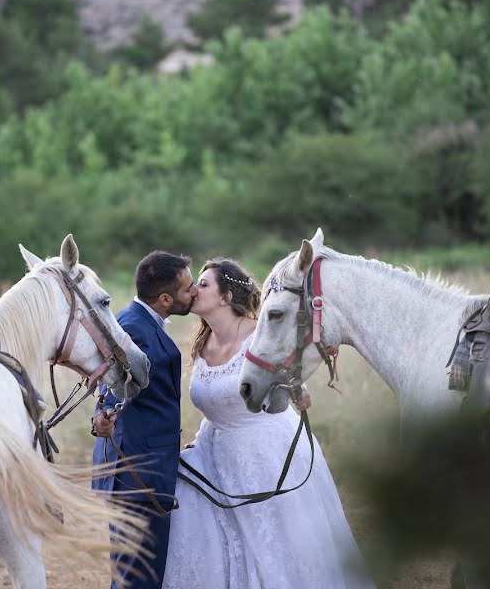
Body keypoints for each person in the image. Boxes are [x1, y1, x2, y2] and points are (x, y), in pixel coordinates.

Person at [161, 258, 376, 589]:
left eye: (203, 284)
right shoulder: (202, 343)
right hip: (213, 453)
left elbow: (288, 380)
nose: (193, 290)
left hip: (265, 455)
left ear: (225, 297)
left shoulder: (259, 336)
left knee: (275, 548)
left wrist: (298, 392)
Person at [91, 250, 198, 589]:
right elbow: (114, 385)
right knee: (136, 577)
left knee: (136, 574)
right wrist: (101, 417)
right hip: (137, 473)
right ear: (166, 298)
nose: (193, 293)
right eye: (188, 289)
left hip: (144, 468)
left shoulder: (140, 320)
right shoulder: (133, 327)